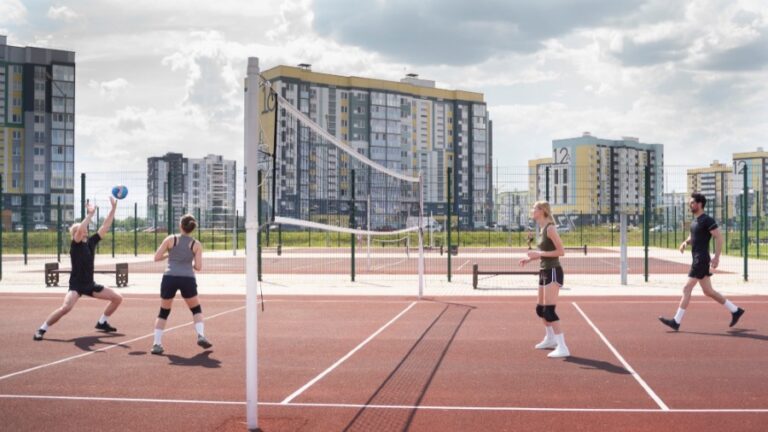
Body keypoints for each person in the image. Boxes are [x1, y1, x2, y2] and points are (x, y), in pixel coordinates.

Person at [34, 197, 122, 340]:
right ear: (75, 234)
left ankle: (102, 322)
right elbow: (80, 229)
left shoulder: (91, 242)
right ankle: (42, 329)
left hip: (90, 284)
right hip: (76, 286)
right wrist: (90, 214)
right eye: (79, 231)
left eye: (83, 230)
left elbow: (105, 226)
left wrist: (113, 208)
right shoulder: (75, 245)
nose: (83, 231)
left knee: (117, 298)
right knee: (66, 308)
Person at [659, 193, 745, 331]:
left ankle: (676, 321)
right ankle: (735, 310)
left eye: (692, 202)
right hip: (697, 259)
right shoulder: (695, 221)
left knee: (687, 288)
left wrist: (717, 257)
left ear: (699, 204)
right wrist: (685, 242)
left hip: (701, 260)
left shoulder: (707, 220)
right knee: (708, 291)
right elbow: (693, 236)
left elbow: (718, 237)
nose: (690, 204)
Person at [151, 214, 211, 355]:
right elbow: (198, 267)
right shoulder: (196, 244)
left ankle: (156, 344)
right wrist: (188, 259)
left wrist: (170, 254)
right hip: (187, 278)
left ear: (180, 226)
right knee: (196, 309)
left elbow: (156, 258)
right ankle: (201, 335)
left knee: (163, 312)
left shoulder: (171, 239)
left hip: (169, 277)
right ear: (192, 228)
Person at [519, 201, 569, 358]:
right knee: (540, 309)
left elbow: (561, 252)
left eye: (534, 208)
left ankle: (563, 347)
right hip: (544, 270)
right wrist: (530, 259)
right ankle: (551, 338)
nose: (532, 211)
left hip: (553, 271)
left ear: (542, 211)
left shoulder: (550, 228)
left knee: (549, 310)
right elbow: (543, 252)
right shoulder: (542, 229)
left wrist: (538, 254)